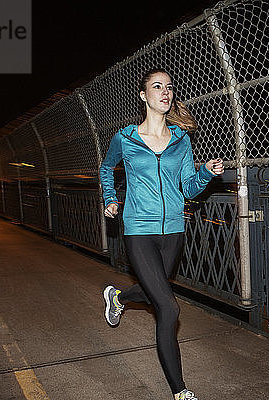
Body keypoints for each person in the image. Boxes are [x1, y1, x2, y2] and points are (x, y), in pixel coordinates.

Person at [99, 68, 223, 400]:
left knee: (156, 295)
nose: (165, 92)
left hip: (174, 232)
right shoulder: (125, 138)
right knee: (169, 308)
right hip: (139, 230)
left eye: (169, 87)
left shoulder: (182, 140)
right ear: (144, 96)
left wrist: (206, 173)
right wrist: (111, 199)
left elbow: (190, 190)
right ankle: (180, 391)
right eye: (157, 87)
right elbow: (106, 167)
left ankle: (119, 298)